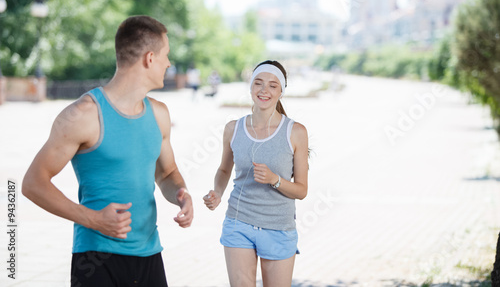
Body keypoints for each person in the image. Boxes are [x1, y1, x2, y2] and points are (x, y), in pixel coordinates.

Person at [22, 15, 193, 287]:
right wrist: (94, 219)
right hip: (95, 259)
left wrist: (181, 195)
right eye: (166, 55)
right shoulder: (83, 115)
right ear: (150, 58)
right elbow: (33, 184)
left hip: (150, 256)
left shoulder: (159, 114)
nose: (169, 63)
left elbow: (167, 173)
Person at [203, 60, 309, 287]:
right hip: (238, 223)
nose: (264, 90)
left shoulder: (296, 132)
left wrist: (275, 180)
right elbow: (224, 169)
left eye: (272, 85)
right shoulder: (233, 128)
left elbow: (301, 190)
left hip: (278, 227)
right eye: (258, 83)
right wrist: (217, 193)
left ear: (281, 91)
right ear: (250, 87)